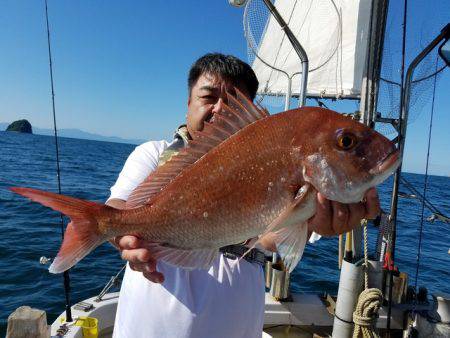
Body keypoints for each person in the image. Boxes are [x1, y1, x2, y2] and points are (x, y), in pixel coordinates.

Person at [106, 53, 380, 338]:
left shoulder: (270, 165)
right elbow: (118, 210)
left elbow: (266, 238)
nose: (220, 109)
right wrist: (119, 235)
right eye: (208, 97)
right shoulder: (153, 154)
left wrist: (309, 221)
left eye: (235, 102)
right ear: (188, 103)